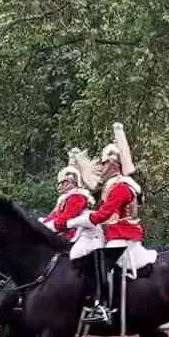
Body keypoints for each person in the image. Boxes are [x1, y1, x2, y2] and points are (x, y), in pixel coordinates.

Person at [66, 123, 144, 324]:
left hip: (123, 236)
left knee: (100, 260)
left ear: (115, 165)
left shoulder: (120, 187)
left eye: (105, 164)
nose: (102, 168)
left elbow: (104, 214)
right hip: (115, 234)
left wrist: (76, 221)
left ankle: (102, 306)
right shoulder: (114, 185)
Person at [42, 150, 97, 242]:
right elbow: (55, 216)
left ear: (70, 182)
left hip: (79, 234)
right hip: (66, 232)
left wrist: (45, 227)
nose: (59, 186)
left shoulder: (77, 197)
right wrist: (42, 224)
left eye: (62, 183)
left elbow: (66, 219)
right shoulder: (66, 198)